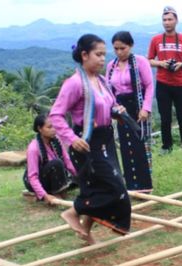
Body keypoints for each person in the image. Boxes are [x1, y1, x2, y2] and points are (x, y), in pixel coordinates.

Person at [50, 34, 132, 245]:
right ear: (84, 55)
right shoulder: (75, 83)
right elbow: (56, 115)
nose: (103, 59)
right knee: (115, 188)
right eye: (98, 54)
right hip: (87, 143)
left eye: (105, 55)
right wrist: (70, 138)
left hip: (105, 139)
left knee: (96, 187)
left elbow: (108, 106)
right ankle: (72, 212)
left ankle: (85, 231)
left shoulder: (101, 80)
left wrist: (117, 111)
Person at [107, 31, 155, 192]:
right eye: (116, 49)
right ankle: (131, 184)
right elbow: (108, 90)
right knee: (126, 145)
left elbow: (149, 85)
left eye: (123, 48)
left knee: (139, 144)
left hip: (137, 106)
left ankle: (144, 185)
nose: (119, 52)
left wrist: (145, 108)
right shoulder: (111, 66)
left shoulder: (140, 62)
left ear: (131, 46)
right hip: (120, 108)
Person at [147, 6, 182, 154]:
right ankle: (166, 146)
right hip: (162, 83)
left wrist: (181, 64)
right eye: (164, 20)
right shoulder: (155, 40)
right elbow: (149, 60)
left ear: (176, 21)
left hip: (180, 84)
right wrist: (161, 63)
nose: (167, 22)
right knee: (165, 118)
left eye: (170, 19)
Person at [24, 113, 78, 204]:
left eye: (54, 126)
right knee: (56, 163)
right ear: (40, 129)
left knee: (70, 164)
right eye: (49, 127)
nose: (53, 130)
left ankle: (59, 191)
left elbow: (67, 162)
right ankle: (56, 192)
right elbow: (32, 177)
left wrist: (80, 177)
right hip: (37, 181)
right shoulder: (33, 148)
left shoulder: (57, 140)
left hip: (52, 176)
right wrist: (44, 195)